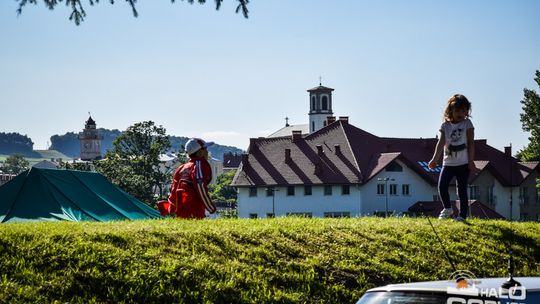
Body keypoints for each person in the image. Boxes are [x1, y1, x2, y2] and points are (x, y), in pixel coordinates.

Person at [428, 94, 476, 221]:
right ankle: (448, 208)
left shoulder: (467, 124)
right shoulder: (445, 126)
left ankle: (462, 216)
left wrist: (471, 161)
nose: (461, 113)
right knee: (442, 186)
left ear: (467, 111)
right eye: (457, 110)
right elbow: (440, 143)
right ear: (451, 110)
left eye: (464, 110)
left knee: (461, 190)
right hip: (448, 163)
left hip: (463, 163)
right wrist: (434, 159)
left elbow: (471, 143)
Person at [158, 138, 217, 219]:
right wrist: (211, 208)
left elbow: (173, 191)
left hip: (180, 213)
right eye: (205, 149)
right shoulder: (199, 164)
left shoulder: (181, 168)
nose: (207, 152)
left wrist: (171, 211)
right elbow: (200, 186)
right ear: (199, 152)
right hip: (195, 211)